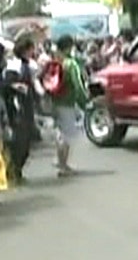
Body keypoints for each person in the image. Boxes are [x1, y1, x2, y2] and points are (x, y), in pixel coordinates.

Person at [2, 37, 40, 184]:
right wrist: (15, 86)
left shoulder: (29, 65)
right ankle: (13, 172)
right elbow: (6, 84)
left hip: (27, 105)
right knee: (19, 142)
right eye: (31, 49)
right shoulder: (14, 65)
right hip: (18, 107)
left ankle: (17, 171)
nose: (33, 51)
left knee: (27, 142)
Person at [50, 35, 89, 177]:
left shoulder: (55, 61)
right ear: (69, 47)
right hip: (67, 102)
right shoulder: (71, 64)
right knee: (67, 135)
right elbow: (77, 85)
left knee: (60, 132)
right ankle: (63, 166)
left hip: (55, 102)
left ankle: (59, 161)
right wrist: (84, 102)